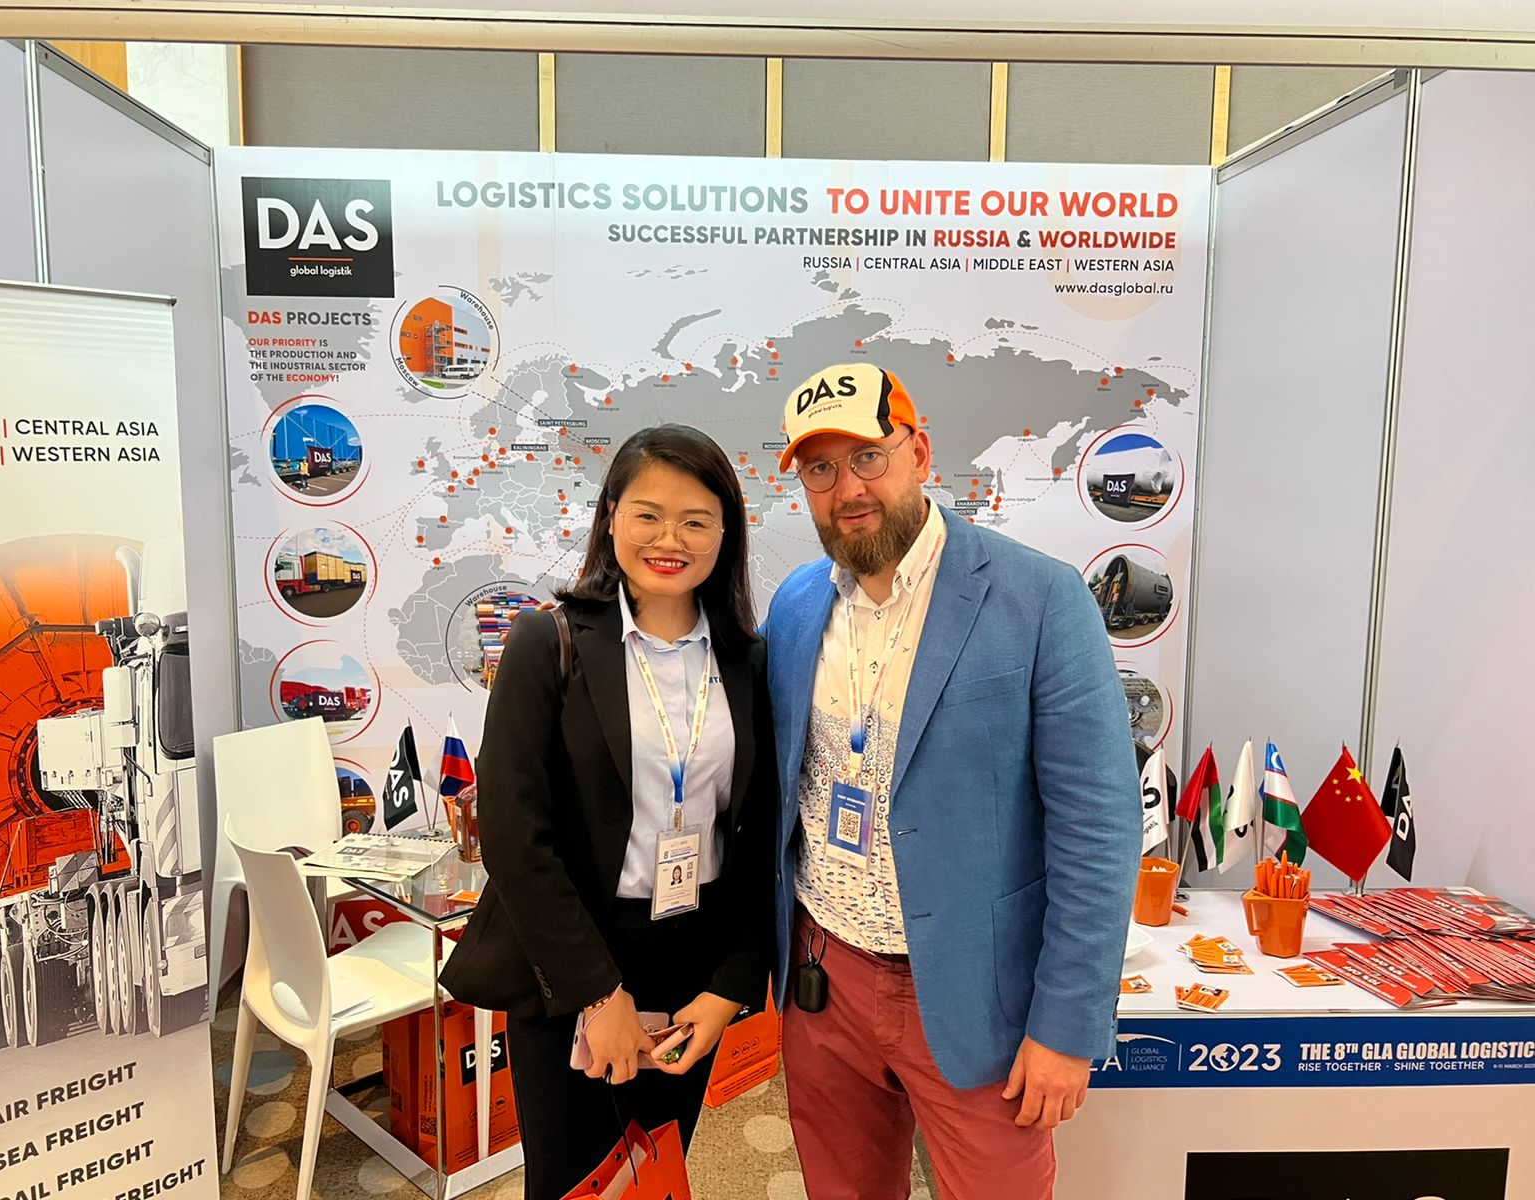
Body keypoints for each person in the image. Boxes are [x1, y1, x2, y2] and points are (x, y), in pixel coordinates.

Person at [764, 364, 1140, 1200]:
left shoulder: (1040, 599)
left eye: (868, 456)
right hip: (824, 983)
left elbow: (1099, 830)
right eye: (820, 469)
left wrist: (1067, 1026)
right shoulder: (794, 606)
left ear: (920, 453)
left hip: (980, 996)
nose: (847, 489)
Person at [441, 424, 775, 1200]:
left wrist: (729, 987)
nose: (670, 539)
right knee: (576, 1182)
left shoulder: (748, 660)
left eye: (696, 520)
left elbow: (759, 834)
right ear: (611, 517)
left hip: (691, 958)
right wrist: (599, 994)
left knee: (657, 1171)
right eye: (648, 514)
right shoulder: (547, 641)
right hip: (573, 955)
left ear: (726, 533)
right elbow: (515, 835)